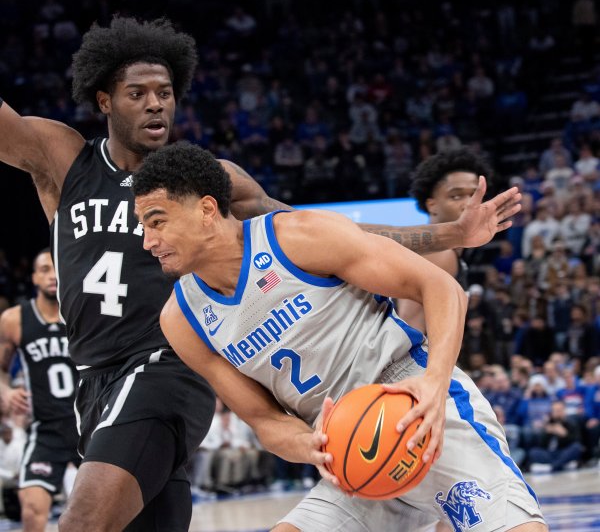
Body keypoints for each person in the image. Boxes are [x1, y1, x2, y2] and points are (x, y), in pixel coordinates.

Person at [0, 15, 522, 530]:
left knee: (83, 521)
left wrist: (449, 235)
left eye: (165, 92)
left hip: (165, 367)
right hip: (93, 379)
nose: (156, 103)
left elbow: (332, 235)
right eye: (138, 93)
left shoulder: (211, 184)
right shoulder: (63, 159)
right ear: (104, 100)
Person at [132, 142, 546, 532]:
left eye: (157, 222)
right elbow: (265, 421)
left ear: (206, 209)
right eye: (144, 227)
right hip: (349, 448)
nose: (148, 241)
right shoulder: (182, 318)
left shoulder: (296, 237)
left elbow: (441, 287)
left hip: (415, 402)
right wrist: (312, 445)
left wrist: (436, 384)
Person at [0, 249, 80, 531]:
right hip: (46, 430)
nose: (53, 275)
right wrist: (7, 392)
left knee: (110, 513)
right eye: (45, 269)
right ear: (34, 277)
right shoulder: (14, 319)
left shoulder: (81, 312)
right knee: (32, 511)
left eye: (56, 268)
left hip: (90, 427)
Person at [397, 148, 492, 332]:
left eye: (474, 195)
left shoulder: (446, 252)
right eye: (456, 196)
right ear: (432, 205)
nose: (468, 204)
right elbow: (409, 331)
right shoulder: (439, 254)